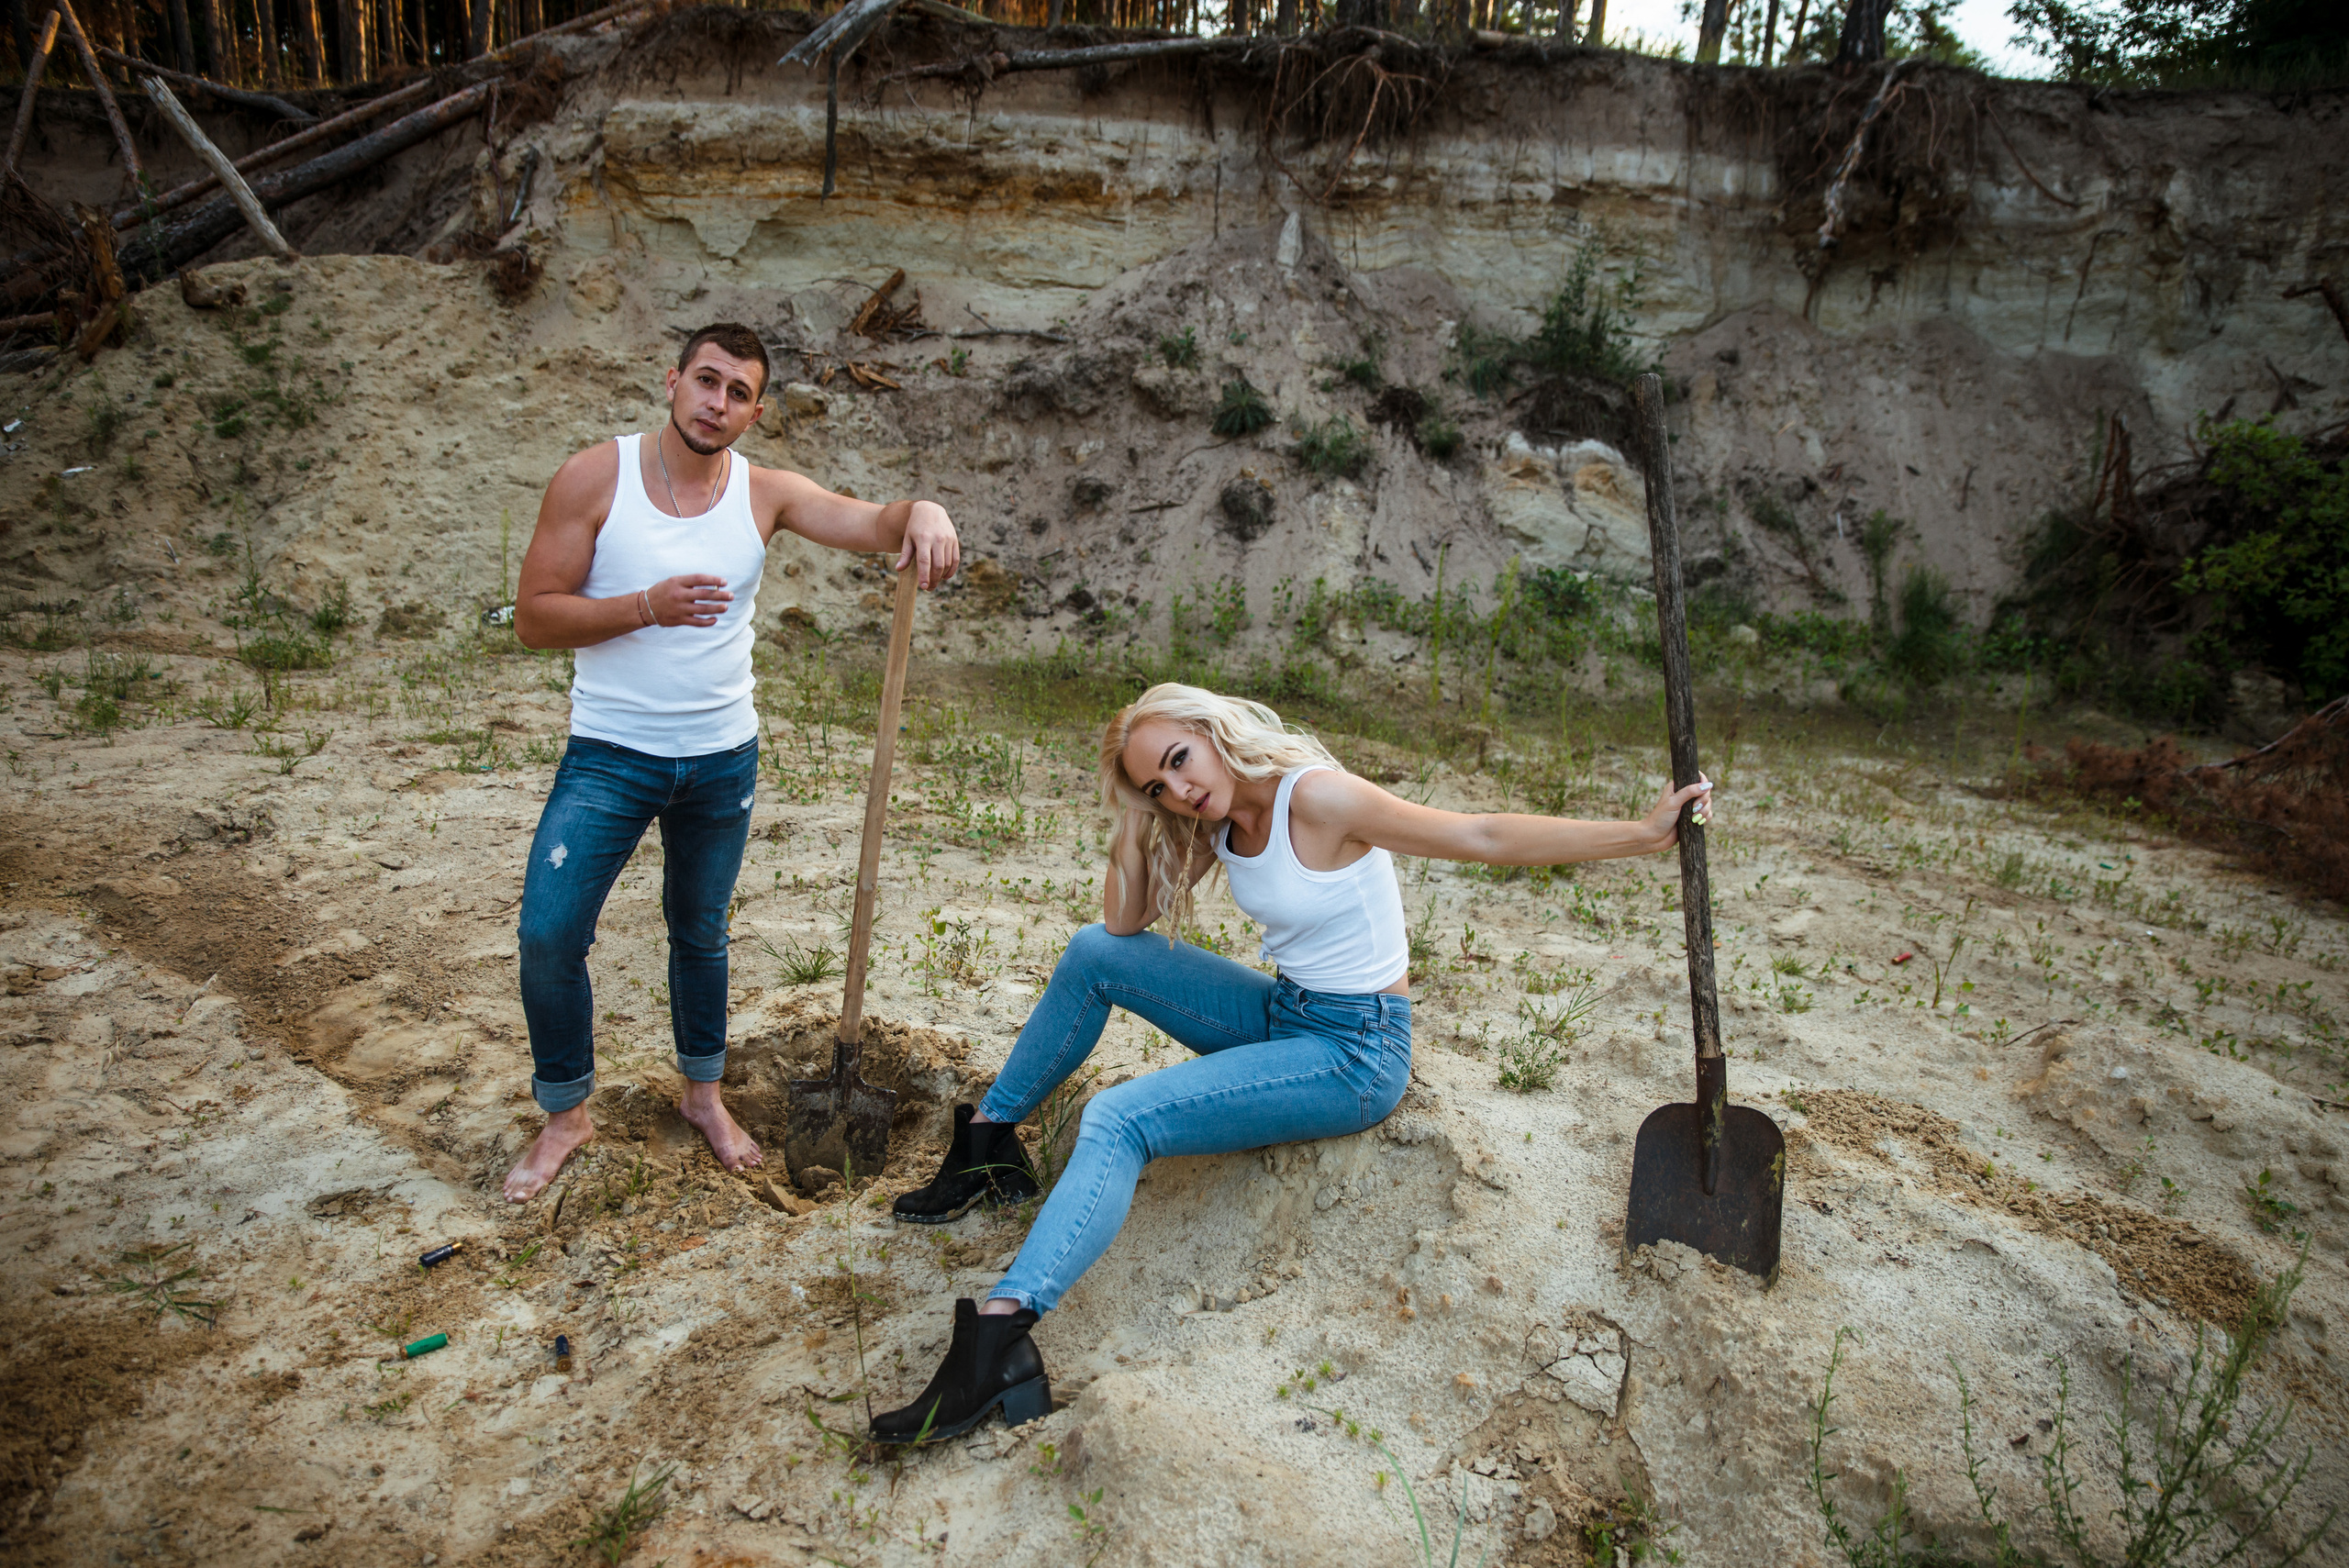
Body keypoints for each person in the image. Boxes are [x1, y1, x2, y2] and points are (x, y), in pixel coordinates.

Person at [869, 683, 1713, 1442]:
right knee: (1093, 953)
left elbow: (1478, 833)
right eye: (1158, 782)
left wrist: (1639, 836)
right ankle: (988, 1142)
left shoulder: (1319, 796)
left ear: (1211, 727)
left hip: (1355, 1050)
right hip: (1286, 1013)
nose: (1181, 787)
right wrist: (1135, 823)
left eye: (1178, 760)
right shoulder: (1220, 817)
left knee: (1119, 1116)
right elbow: (1123, 925)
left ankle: (1001, 1339)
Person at [499, 322, 961, 1204]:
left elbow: (873, 523)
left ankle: (705, 1096)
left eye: (739, 392)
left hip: (720, 759)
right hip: (611, 753)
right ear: (673, 381)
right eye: (706, 381)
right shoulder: (597, 477)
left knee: (700, 931)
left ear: (755, 410)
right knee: (550, 932)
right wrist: (644, 605)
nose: (718, 403)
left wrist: (922, 512)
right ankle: (566, 1112)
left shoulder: (766, 493)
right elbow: (536, 616)